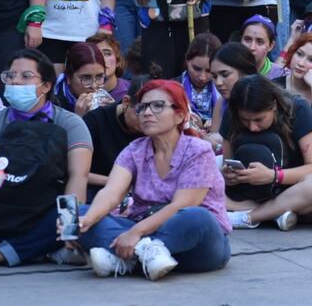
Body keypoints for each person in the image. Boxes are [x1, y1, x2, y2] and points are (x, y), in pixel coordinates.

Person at [0, 49, 92, 269]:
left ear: (46, 86)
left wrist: (68, 227)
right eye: (11, 75)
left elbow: (78, 176)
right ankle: (43, 250)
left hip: (44, 211)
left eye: (26, 76)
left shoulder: (69, 123)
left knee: (78, 215)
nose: (15, 81)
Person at [75, 80, 230, 280]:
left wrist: (136, 232)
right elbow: (111, 193)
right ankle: (145, 255)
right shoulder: (134, 150)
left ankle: (128, 257)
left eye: (158, 106)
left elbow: (182, 204)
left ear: (180, 115)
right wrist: (86, 221)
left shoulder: (198, 150)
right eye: (142, 107)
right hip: (144, 227)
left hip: (197, 246)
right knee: (84, 212)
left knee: (196, 216)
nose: (147, 113)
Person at [222, 75, 312, 230]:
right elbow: (227, 161)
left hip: (292, 190)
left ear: (274, 106)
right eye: (245, 120)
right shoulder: (232, 114)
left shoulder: (298, 109)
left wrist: (273, 176)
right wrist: (229, 175)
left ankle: (248, 217)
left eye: (259, 119)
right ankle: (275, 213)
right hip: (245, 193)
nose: (252, 127)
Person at [82, 76, 151, 195]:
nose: (145, 120)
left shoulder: (157, 125)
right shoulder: (96, 121)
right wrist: (118, 182)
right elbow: (78, 172)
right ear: (126, 102)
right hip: (99, 190)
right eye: (140, 112)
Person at [53, 42, 115, 117]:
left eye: (99, 77)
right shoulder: (52, 104)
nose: (94, 86)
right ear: (69, 78)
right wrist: (79, 118)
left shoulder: (105, 100)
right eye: (86, 78)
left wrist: (112, 116)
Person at [179, 33, 223, 132]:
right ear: (187, 60)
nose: (202, 77)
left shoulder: (225, 90)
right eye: (196, 69)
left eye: (209, 71)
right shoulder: (174, 87)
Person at [85, 33, 130, 102]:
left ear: (118, 61)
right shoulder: (79, 92)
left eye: (107, 54)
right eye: (95, 53)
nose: (102, 59)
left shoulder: (132, 91)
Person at [240, 15, 285, 79]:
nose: (252, 47)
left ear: (271, 46)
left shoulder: (281, 75)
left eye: (259, 42)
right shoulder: (229, 70)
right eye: (247, 40)